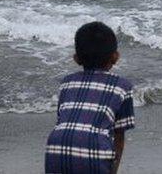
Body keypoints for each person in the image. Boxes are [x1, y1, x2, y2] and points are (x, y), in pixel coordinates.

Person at [45, 22, 135, 174]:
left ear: (76, 58)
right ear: (115, 57)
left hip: (55, 148)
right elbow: (119, 137)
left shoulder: (67, 82)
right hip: (95, 152)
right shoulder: (122, 86)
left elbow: (63, 120)